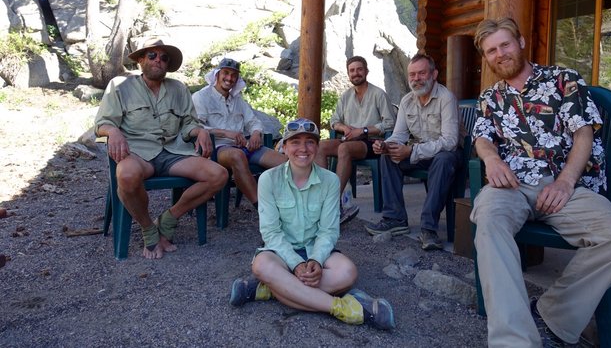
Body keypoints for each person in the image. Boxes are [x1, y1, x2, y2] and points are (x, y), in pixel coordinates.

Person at [470, 17, 611, 347]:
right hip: (512, 186)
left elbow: (583, 133)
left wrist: (564, 182)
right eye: (491, 51)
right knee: (489, 220)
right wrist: (491, 159)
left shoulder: (563, 79)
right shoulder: (490, 97)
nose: (499, 54)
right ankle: (514, 340)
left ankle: (554, 311)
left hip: (567, 187)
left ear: (520, 42)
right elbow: (482, 138)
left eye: (505, 44)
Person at [228, 118, 395, 330]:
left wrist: (316, 258)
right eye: (295, 142)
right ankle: (344, 307)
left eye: (310, 142)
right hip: (280, 253)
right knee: (261, 265)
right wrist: (295, 264)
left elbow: (328, 231)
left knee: (348, 272)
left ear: (316, 147)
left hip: (315, 250)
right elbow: (270, 232)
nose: (303, 149)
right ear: (284, 147)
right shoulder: (269, 179)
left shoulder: (330, 181)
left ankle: (273, 288)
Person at [95, 38, 228, 259]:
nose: (159, 60)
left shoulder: (178, 88)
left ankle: (168, 219)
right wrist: (113, 132)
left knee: (219, 174)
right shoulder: (120, 86)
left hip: (174, 152)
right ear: (140, 60)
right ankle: (148, 228)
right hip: (138, 153)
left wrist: (200, 131)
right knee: (126, 175)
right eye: (152, 55)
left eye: (164, 57)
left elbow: (188, 123)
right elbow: (102, 123)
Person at [364, 54, 462, 251]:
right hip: (420, 152)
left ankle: (429, 229)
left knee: (442, 160)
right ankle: (395, 218)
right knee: (388, 157)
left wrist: (411, 151)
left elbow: (450, 142)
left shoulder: (446, 98)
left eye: (421, 73)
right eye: (412, 75)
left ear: (434, 74)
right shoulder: (407, 100)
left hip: (448, 155)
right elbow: (399, 134)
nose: (416, 79)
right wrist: (385, 145)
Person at [192, 58, 287, 210]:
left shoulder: (237, 100)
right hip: (217, 149)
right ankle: (263, 209)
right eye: (226, 73)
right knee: (237, 156)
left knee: (285, 163)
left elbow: (253, 122)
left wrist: (256, 134)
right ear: (217, 74)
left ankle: (290, 205)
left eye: (234, 75)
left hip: (243, 146)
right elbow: (196, 126)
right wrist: (225, 133)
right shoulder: (201, 97)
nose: (229, 78)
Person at [314, 56, 396, 224]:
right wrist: (344, 128)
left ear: (366, 71)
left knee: (344, 149)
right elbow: (334, 121)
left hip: (373, 143)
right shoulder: (345, 97)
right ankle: (323, 196)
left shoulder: (378, 94)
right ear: (348, 74)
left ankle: (334, 204)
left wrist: (364, 130)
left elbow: (390, 123)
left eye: (359, 69)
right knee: (320, 146)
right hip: (349, 139)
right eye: (352, 70)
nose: (356, 73)